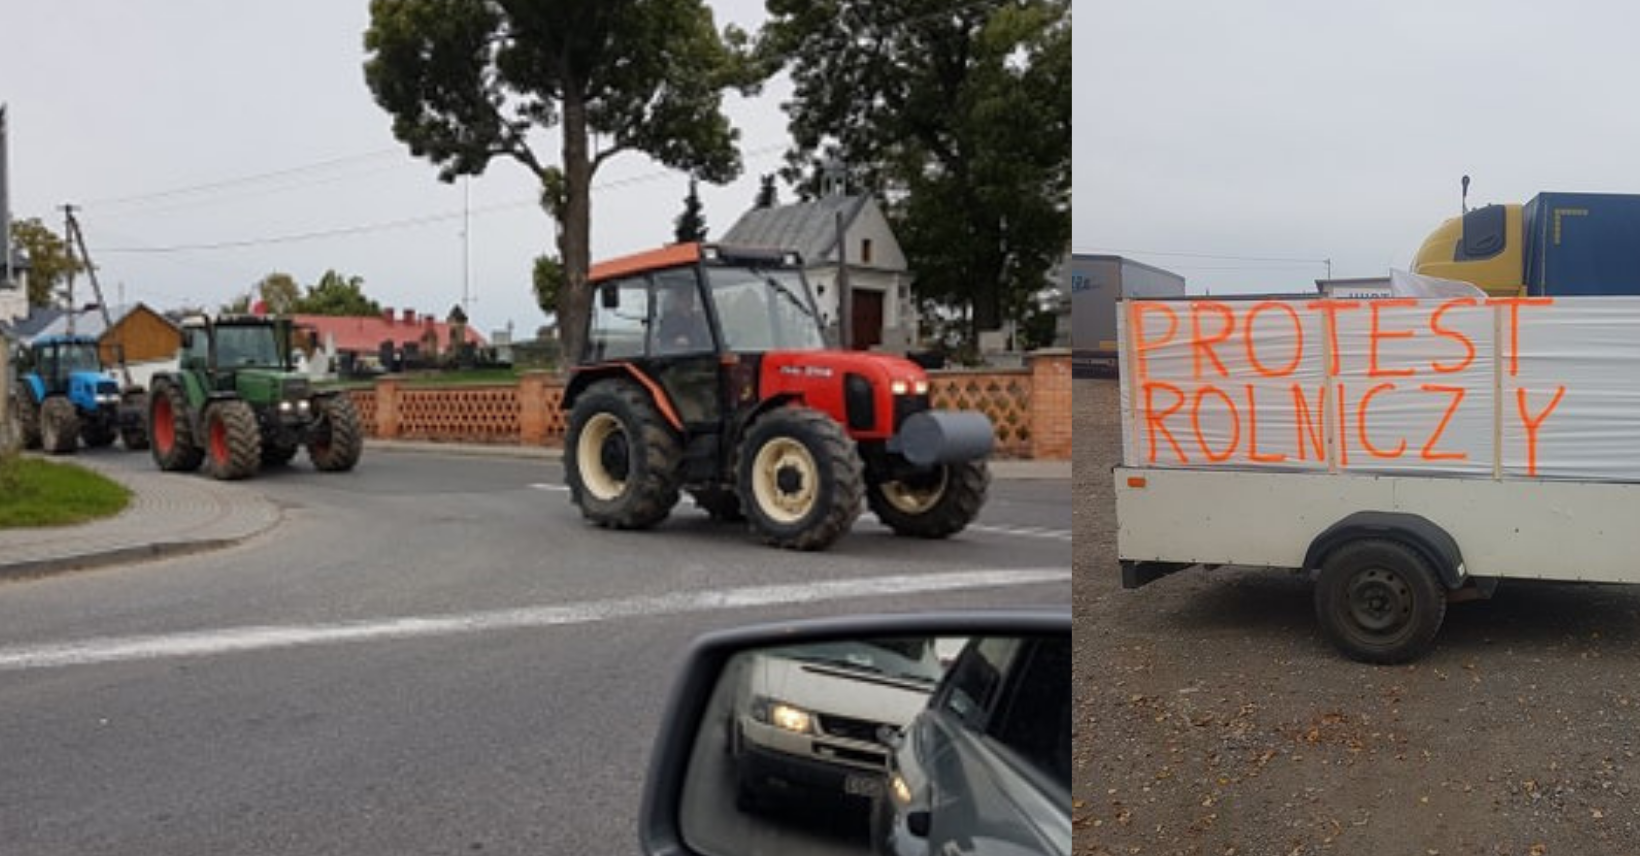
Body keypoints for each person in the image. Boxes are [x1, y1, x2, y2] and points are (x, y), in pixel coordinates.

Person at [656, 287, 710, 353]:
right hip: (679, 357)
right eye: (685, 299)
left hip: (701, 355)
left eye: (690, 299)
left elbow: (707, 341)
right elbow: (662, 341)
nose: (688, 302)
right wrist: (675, 341)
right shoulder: (668, 320)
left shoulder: (699, 319)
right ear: (678, 301)